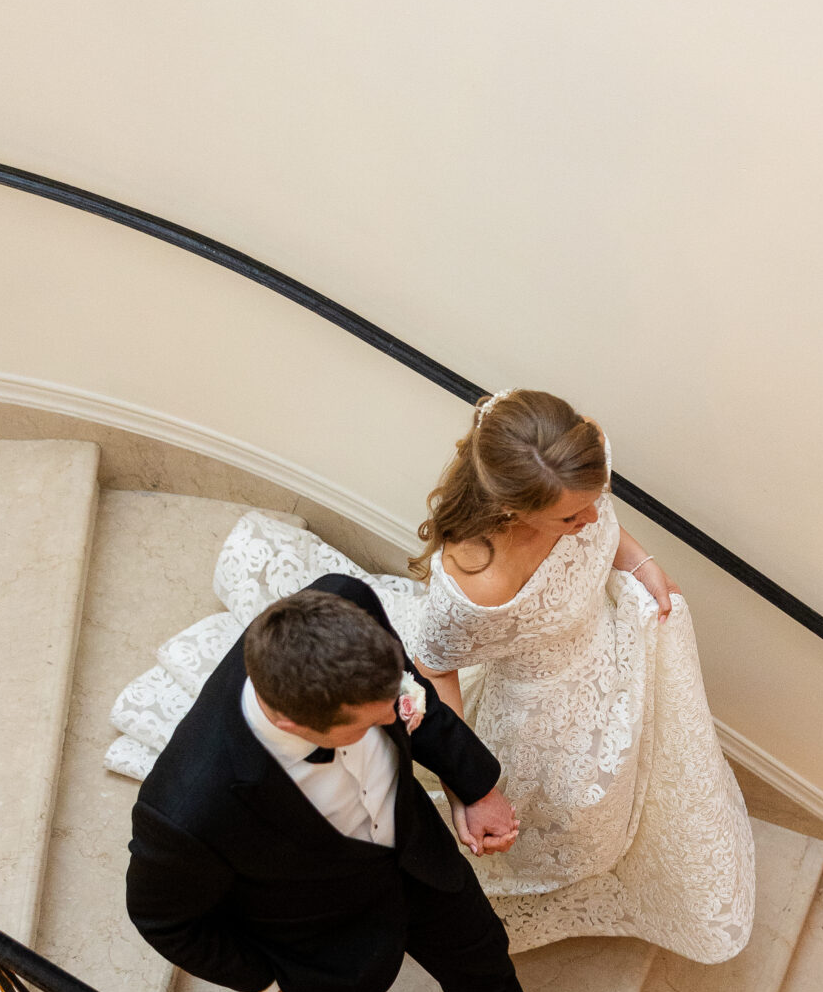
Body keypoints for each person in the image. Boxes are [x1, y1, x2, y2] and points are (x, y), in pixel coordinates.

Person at [109, 389, 755, 961]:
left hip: (609, 647)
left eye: (592, 502)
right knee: (577, 810)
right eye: (568, 518)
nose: (588, 520)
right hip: (541, 703)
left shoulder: (567, 463)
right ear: (512, 513)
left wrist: (639, 565)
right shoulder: (473, 588)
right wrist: (460, 784)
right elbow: (434, 666)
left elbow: (603, 523)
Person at [125, 577, 627, 992]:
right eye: (372, 718)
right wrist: (276, 980)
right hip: (321, 935)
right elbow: (163, 920)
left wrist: (474, 785)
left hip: (414, 853)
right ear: (293, 722)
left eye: (394, 702)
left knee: (483, 955)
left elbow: (419, 705)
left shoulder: (345, 603)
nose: (397, 714)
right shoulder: (188, 811)